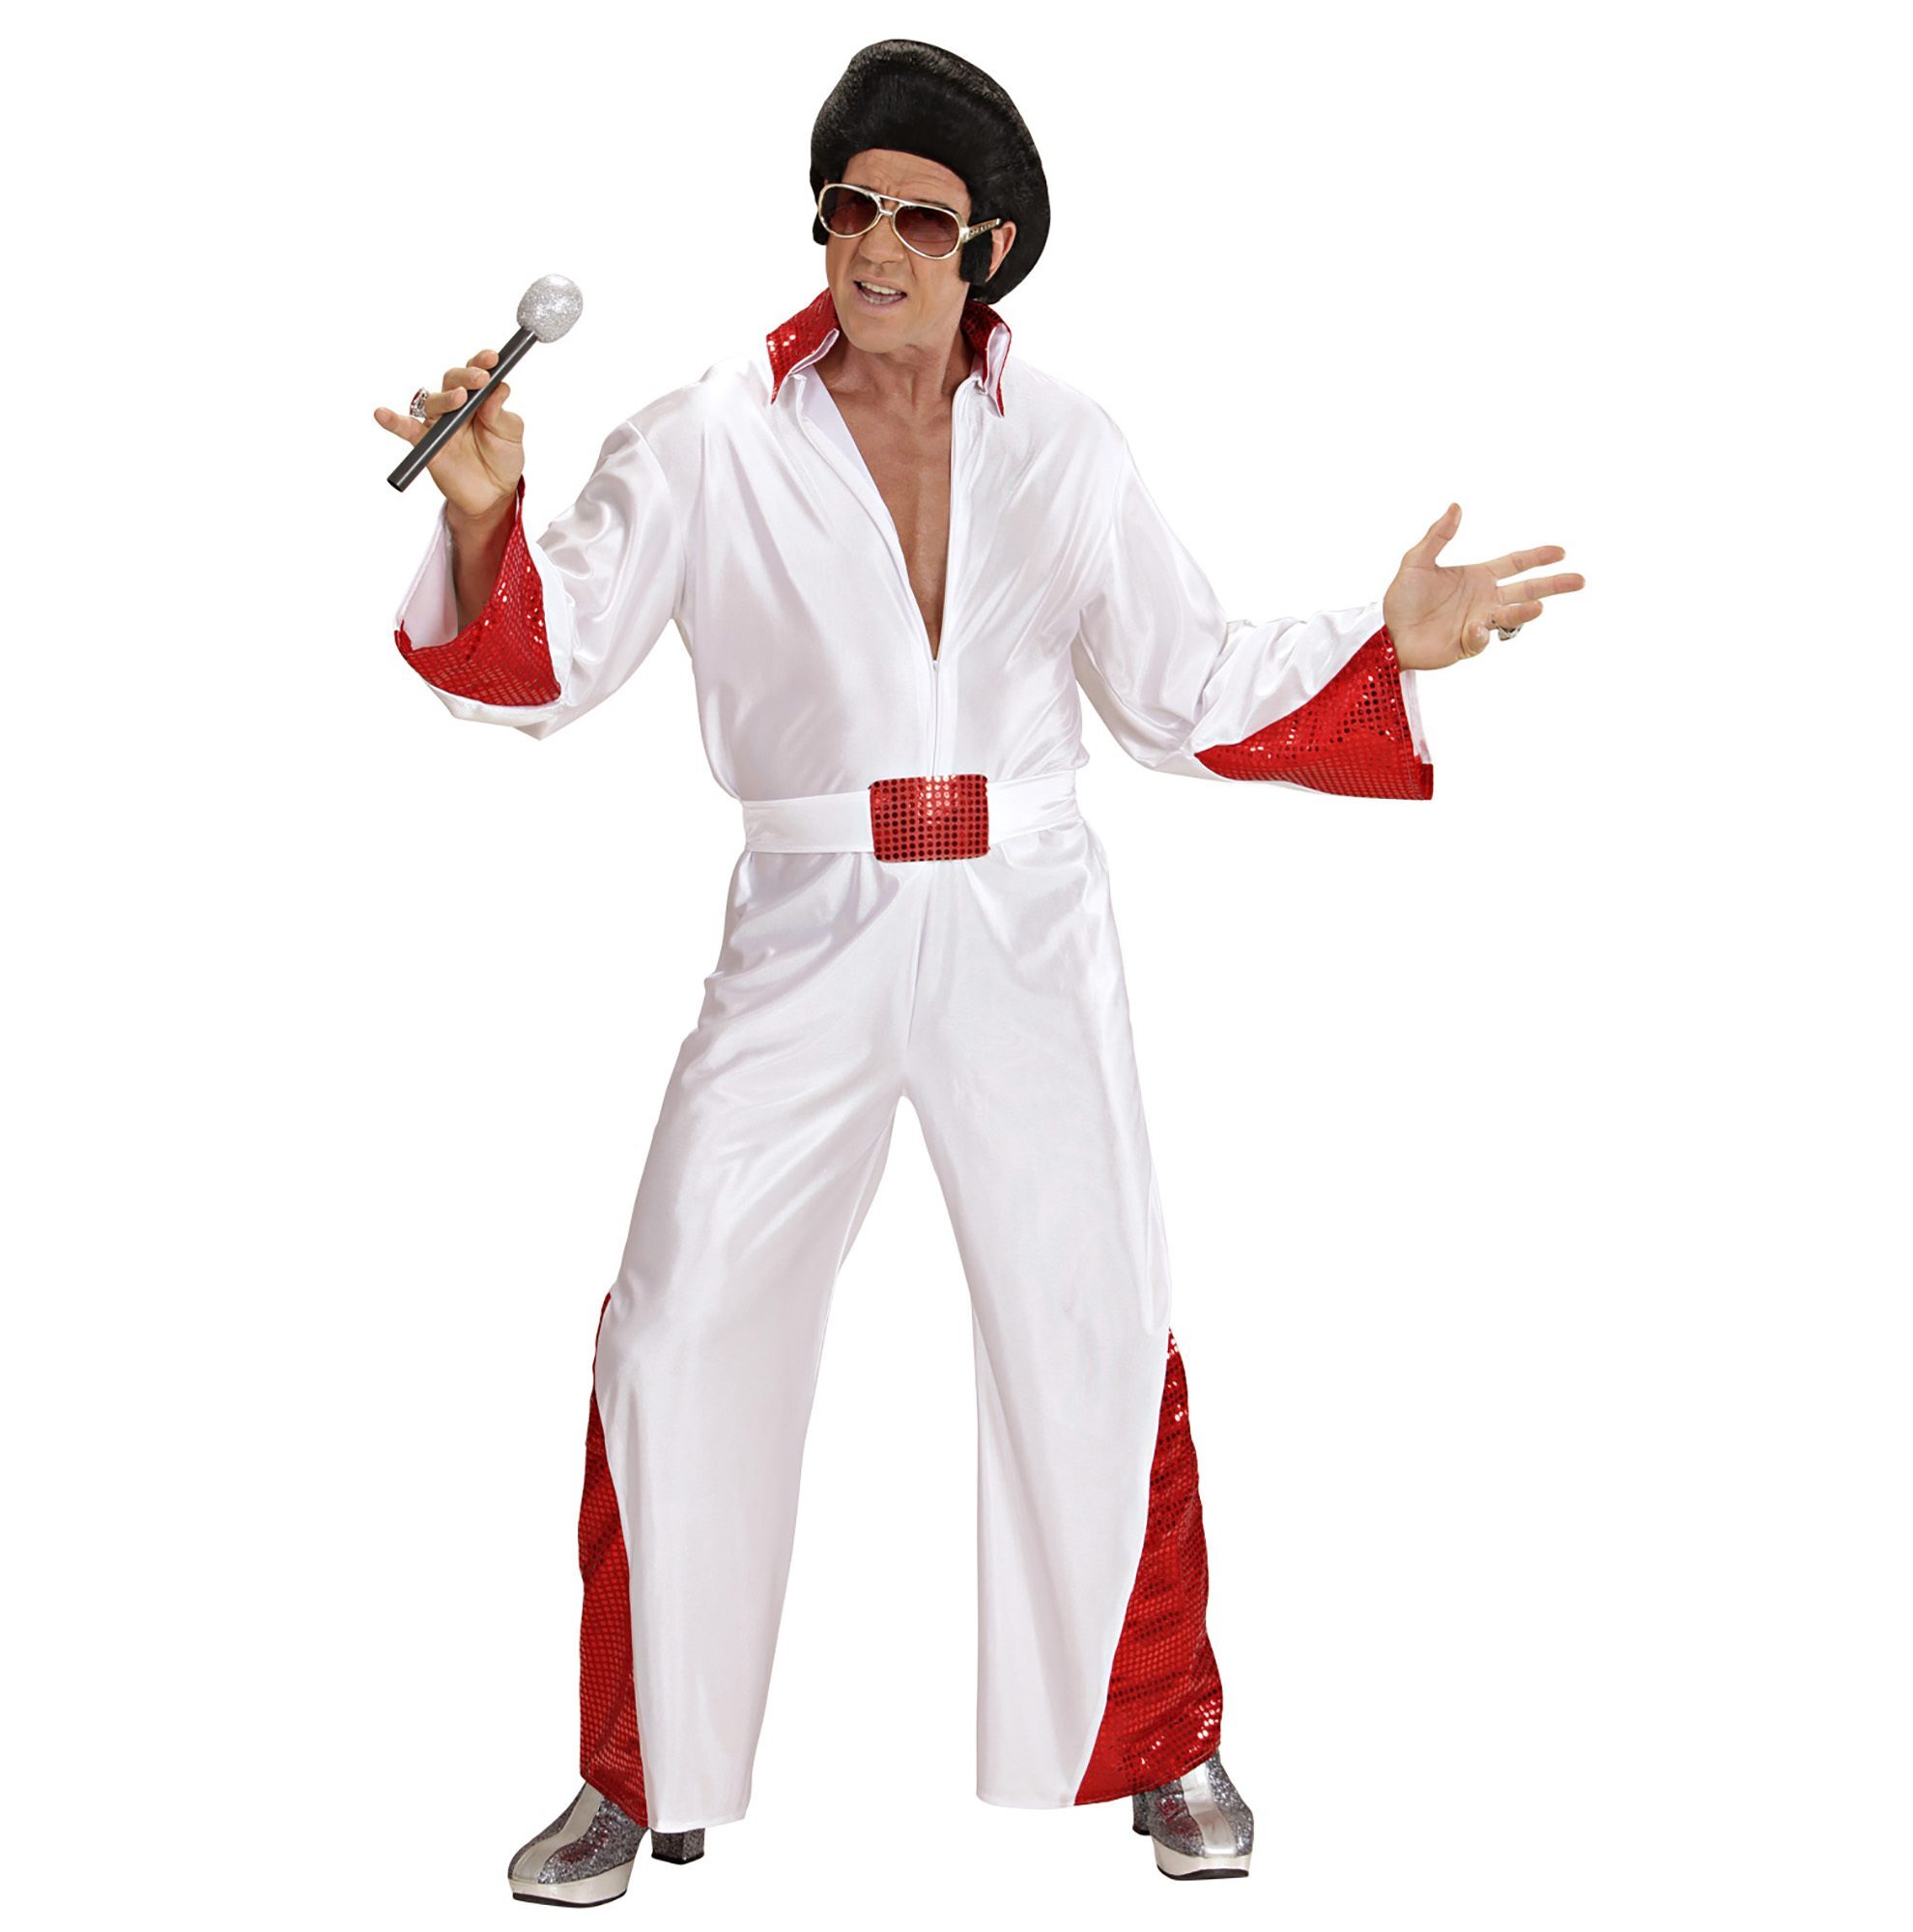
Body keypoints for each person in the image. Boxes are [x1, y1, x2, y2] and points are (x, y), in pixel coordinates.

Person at [373, 38, 1585, 1904]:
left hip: (1027, 919)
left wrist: (1383, 635)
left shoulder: (1068, 441)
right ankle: (642, 1765)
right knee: (680, 1320)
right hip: (810, 920)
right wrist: (479, 515)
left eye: (918, 220)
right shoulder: (704, 438)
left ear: (990, 246)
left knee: (1093, 1306)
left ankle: (1158, 1745)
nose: (874, 246)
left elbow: (1178, 688)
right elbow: (552, 664)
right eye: (848, 208)